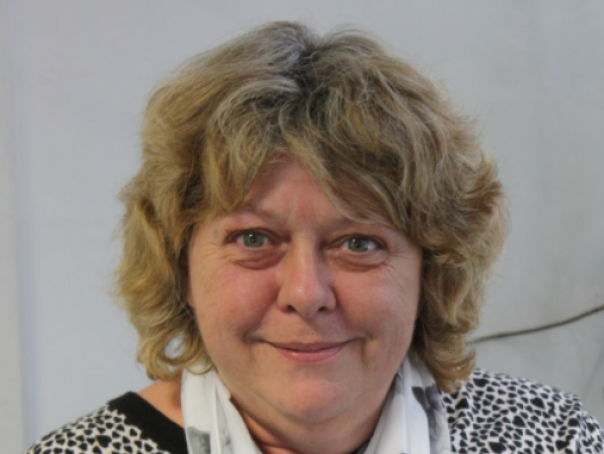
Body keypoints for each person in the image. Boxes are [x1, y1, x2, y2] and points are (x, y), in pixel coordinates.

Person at [25, 21, 603, 454]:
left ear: (433, 270)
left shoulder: (555, 438)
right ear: (179, 267)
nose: (306, 293)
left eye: (358, 244)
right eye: (254, 239)